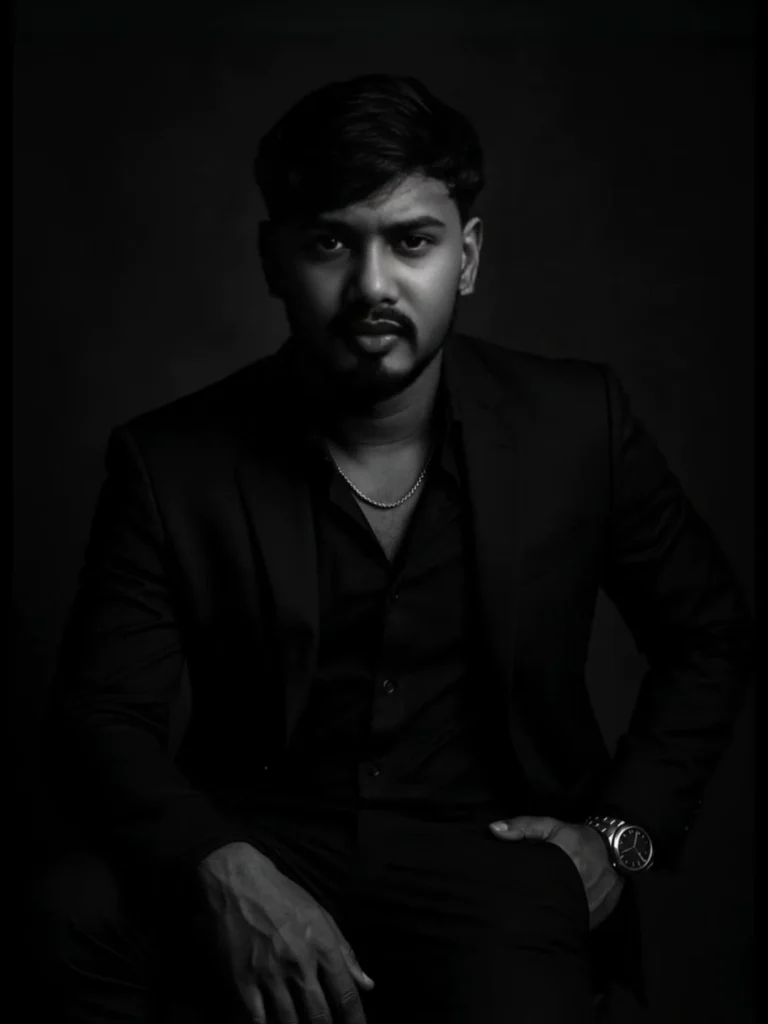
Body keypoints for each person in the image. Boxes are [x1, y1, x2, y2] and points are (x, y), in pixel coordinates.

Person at [30, 74, 753, 1024]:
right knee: (68, 914)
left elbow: (710, 635)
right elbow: (104, 714)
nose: (373, 285)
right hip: (264, 837)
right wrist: (223, 864)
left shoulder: (579, 423)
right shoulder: (172, 462)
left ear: (468, 257)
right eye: (331, 241)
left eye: (412, 241)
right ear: (273, 260)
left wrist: (619, 837)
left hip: (496, 851)